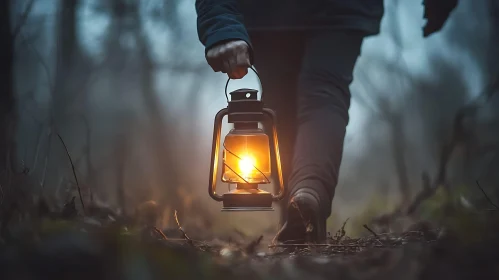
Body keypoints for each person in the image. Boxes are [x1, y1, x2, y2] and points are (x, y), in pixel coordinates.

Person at [195, 0, 459, 243]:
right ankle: (308, 193)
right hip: (340, 9)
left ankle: (298, 211)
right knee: (325, 93)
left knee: (281, 109)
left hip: (267, 12)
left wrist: (220, 24)